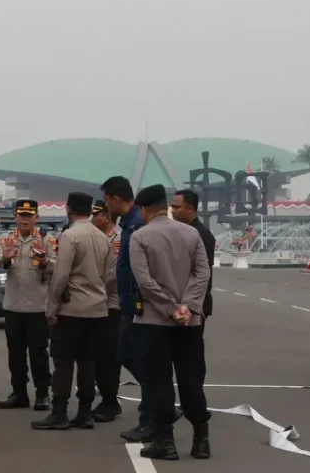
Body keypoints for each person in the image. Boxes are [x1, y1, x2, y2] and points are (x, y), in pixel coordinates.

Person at [131, 184, 212, 461]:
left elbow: (144, 282)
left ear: (143, 209)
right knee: (191, 379)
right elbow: (203, 273)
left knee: (158, 382)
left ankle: (166, 443)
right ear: (165, 205)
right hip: (190, 322)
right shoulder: (192, 234)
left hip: (154, 322)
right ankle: (201, 440)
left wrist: (169, 308)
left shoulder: (140, 237)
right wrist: (186, 307)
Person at [32, 192, 115, 431]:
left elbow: (60, 276)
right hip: (97, 309)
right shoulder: (103, 238)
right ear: (90, 210)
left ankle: (59, 413)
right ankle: (85, 413)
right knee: (88, 363)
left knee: (63, 363)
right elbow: (110, 277)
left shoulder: (70, 236)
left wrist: (52, 307)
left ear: (68, 209)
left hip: (72, 310)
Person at [100, 176, 159, 442]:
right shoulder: (130, 223)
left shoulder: (136, 225)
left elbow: (140, 271)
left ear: (115, 199)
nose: (104, 206)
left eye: (105, 200)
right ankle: (160, 408)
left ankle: (156, 414)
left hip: (136, 305)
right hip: (128, 303)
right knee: (127, 355)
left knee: (135, 357)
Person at [0, 199, 56, 411]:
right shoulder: (5, 239)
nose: (25, 219)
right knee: (15, 354)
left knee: (38, 353)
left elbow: (56, 268)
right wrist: (6, 258)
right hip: (13, 307)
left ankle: (42, 394)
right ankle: (19, 393)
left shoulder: (47, 240)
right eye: (22, 215)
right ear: (15, 217)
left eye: (30, 215)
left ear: (37, 217)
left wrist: (45, 261)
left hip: (38, 307)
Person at [90, 199, 123, 422]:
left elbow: (112, 275)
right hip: (100, 302)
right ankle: (108, 399)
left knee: (109, 357)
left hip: (112, 304)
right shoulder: (100, 238)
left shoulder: (116, 239)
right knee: (100, 356)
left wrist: (89, 287)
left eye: (96, 215)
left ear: (107, 216)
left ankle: (110, 402)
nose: (93, 219)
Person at [170, 189, 216, 324]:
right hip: (182, 304)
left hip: (194, 306)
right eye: (172, 206)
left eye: (176, 207)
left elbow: (204, 274)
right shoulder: (182, 232)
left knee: (192, 344)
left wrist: (197, 307)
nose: (172, 211)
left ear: (190, 208)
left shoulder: (201, 235)